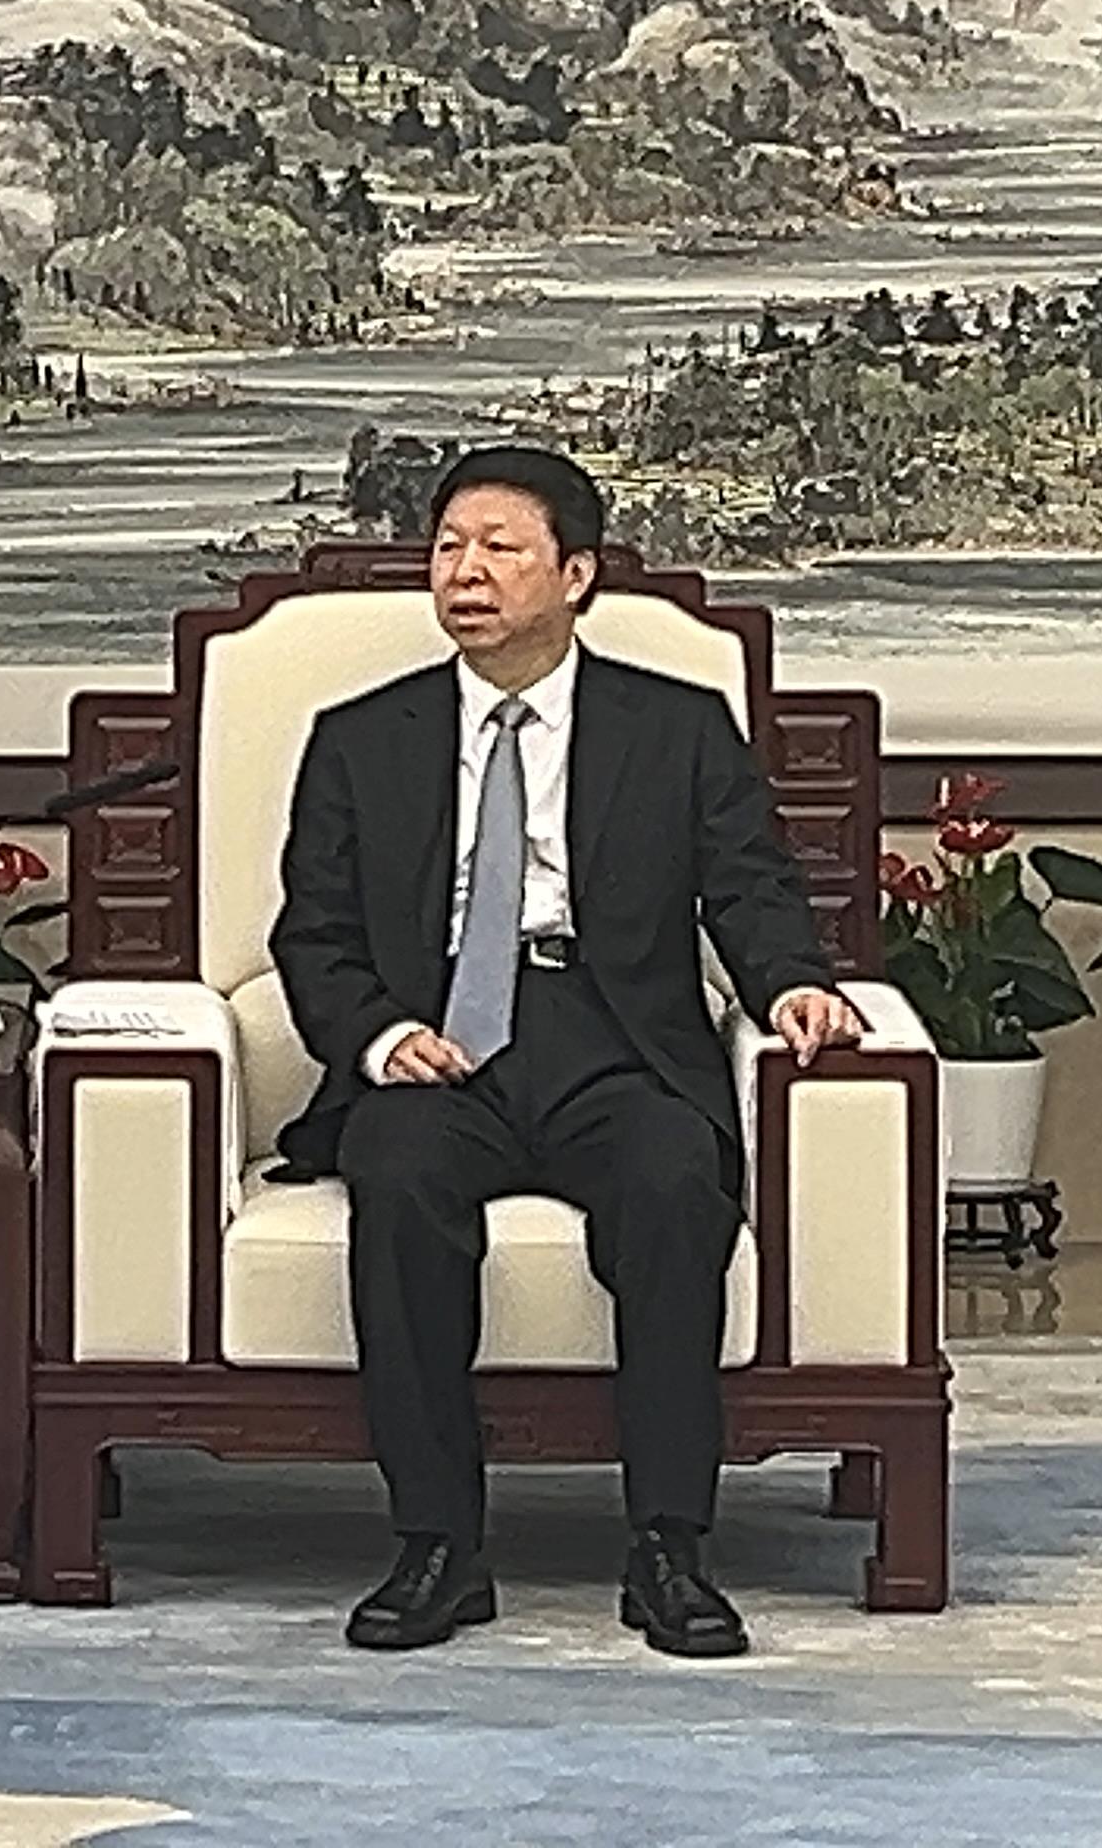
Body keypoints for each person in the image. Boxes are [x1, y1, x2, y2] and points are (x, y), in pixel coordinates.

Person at [269, 445, 860, 1658]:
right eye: (447, 548)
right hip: (436, 1041)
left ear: (577, 574)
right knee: (401, 1178)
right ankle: (437, 1545)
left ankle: (669, 1546)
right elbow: (312, 936)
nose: (465, 573)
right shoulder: (360, 739)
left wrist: (796, 984)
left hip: (611, 1034)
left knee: (670, 1183)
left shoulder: (677, 729)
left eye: (500, 549)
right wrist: (381, 1037)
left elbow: (750, 888)